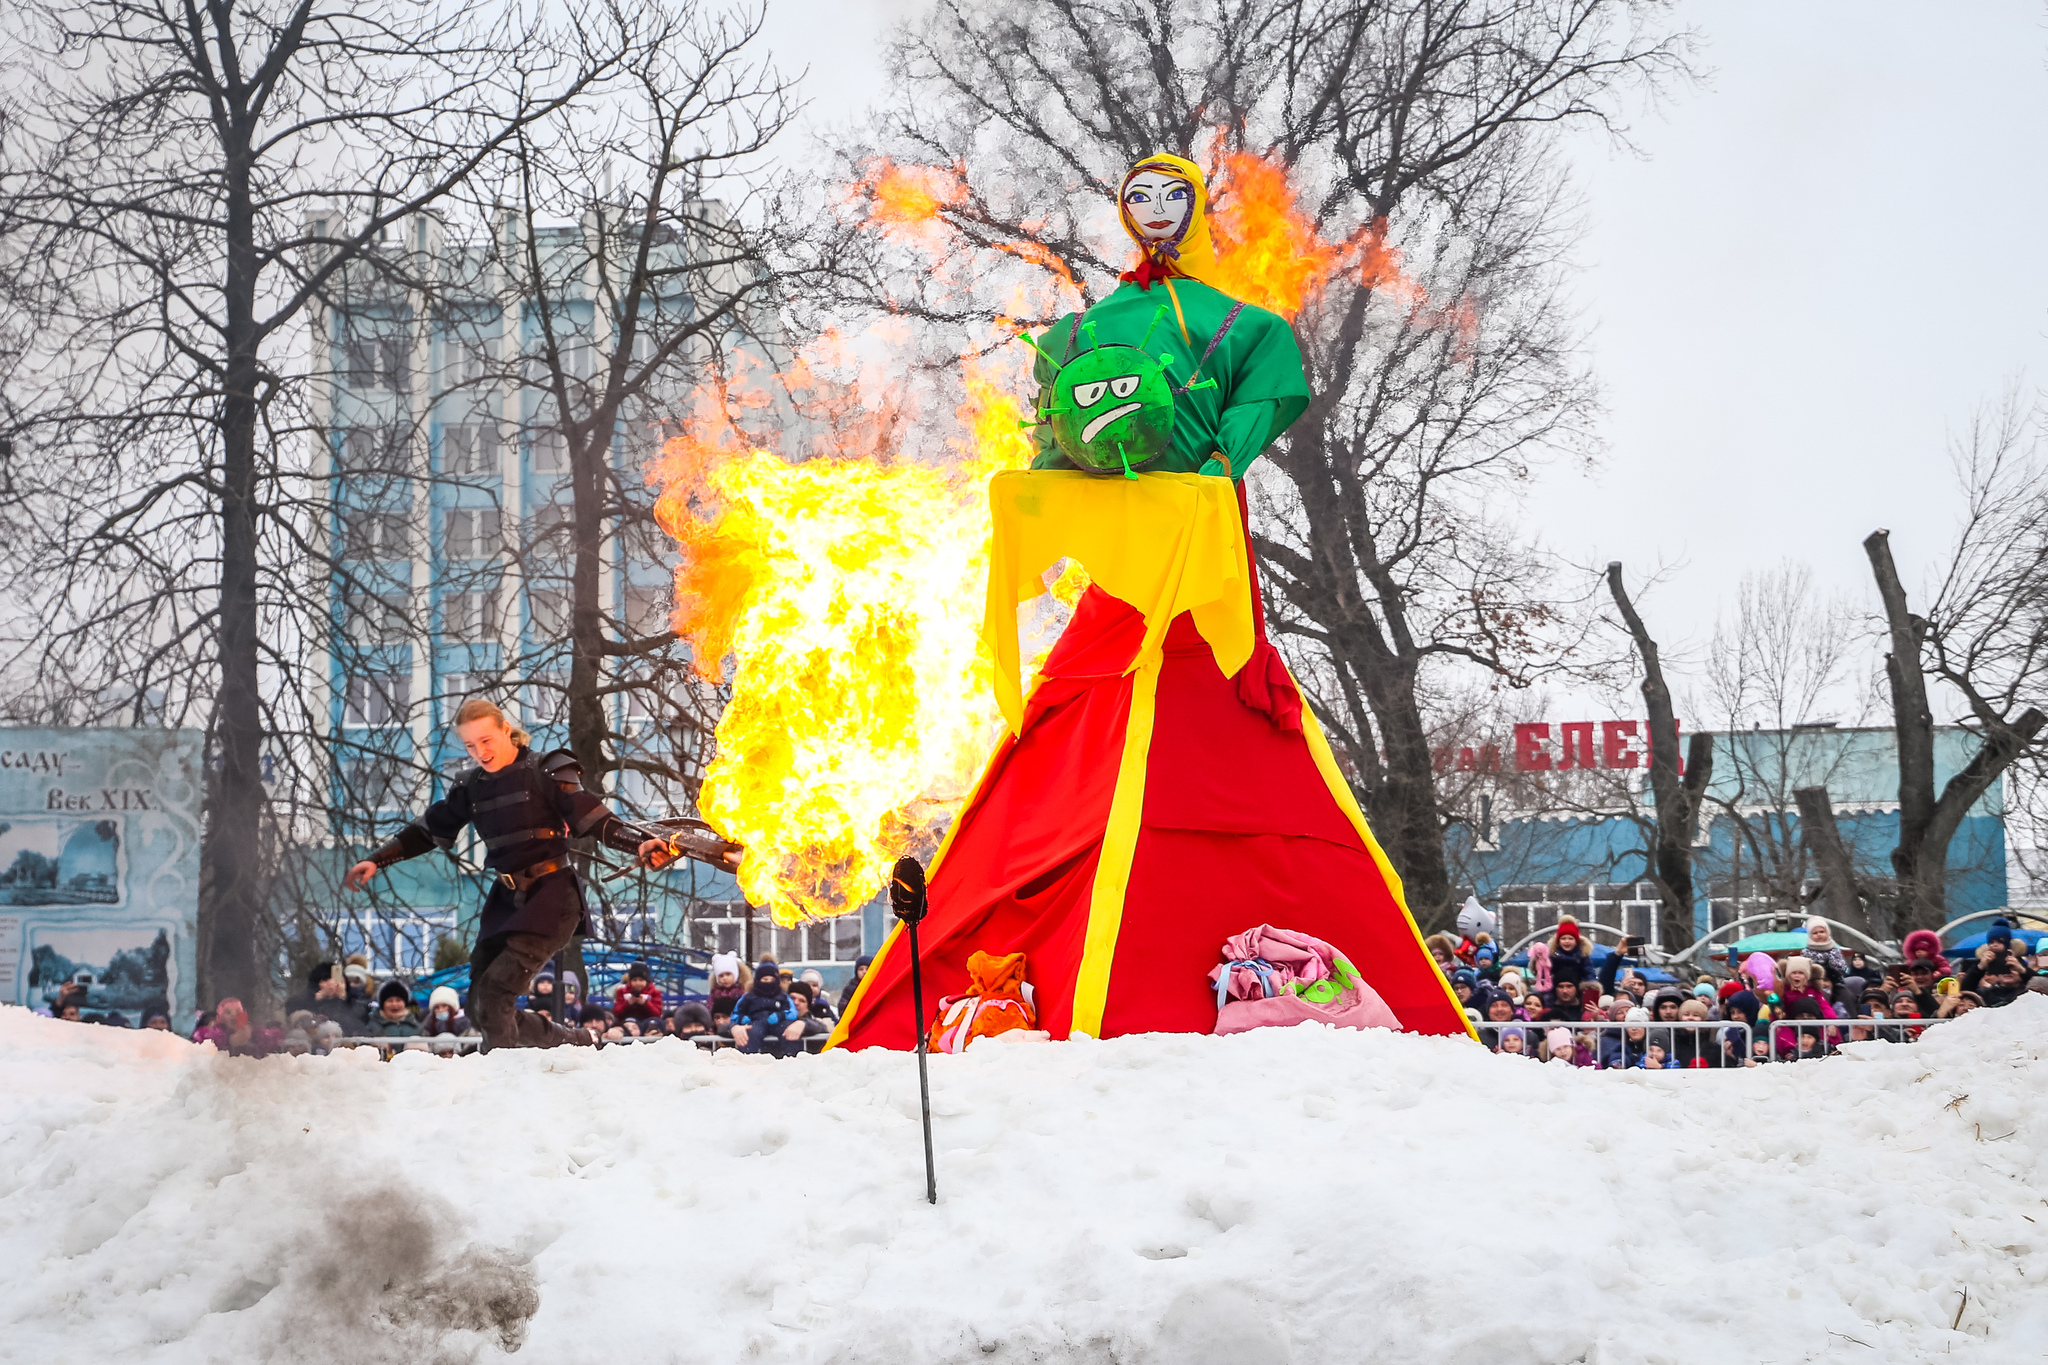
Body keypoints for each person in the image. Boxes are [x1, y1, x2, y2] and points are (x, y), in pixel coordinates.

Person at [343, 698, 672, 1051]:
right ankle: (573, 1041)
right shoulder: (472, 787)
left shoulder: (546, 770)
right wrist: (379, 859)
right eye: (470, 745)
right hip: (506, 901)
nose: (480, 752)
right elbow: (430, 829)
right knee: (479, 1005)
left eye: (486, 741)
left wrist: (637, 843)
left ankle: (501, 1074)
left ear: (505, 730)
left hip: (551, 898)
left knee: (496, 991)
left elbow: (591, 816)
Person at [731, 959, 804, 1057]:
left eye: (772, 980)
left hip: (779, 1022)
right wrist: (742, 1019)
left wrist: (780, 1015)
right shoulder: (748, 997)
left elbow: (792, 1012)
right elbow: (736, 1013)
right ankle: (747, 1062)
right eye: (765, 980)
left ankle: (792, 1058)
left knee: (789, 1032)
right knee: (749, 1035)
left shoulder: (783, 996)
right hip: (755, 1022)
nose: (768, 983)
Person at [612, 963, 665, 1027]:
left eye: (641, 980)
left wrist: (645, 1003)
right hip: (626, 1024)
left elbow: (657, 1014)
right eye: (634, 980)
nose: (638, 983)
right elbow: (616, 1012)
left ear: (646, 981)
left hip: (648, 1025)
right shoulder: (622, 992)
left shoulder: (655, 993)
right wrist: (627, 1004)